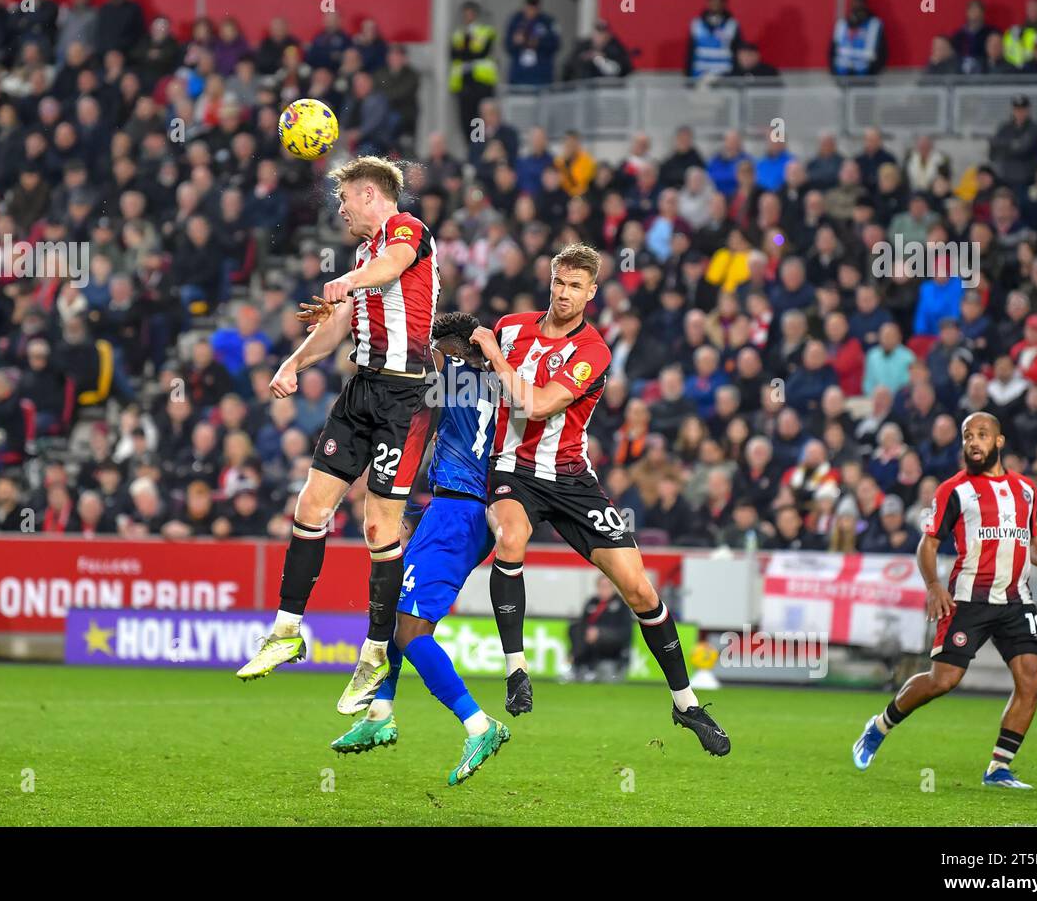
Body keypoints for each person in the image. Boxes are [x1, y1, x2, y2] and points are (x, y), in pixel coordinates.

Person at [468, 242, 730, 756]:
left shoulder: (594, 351)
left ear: (591, 292)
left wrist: (494, 354)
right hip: (512, 468)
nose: (564, 294)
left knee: (639, 590)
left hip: (571, 478)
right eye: (558, 282)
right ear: (551, 279)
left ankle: (686, 702)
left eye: (575, 287)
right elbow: (455, 356)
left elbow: (539, 405)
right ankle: (516, 670)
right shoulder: (512, 326)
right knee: (512, 536)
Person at [235, 157, 439, 715]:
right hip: (362, 391)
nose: (341, 208)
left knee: (379, 524)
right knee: (311, 504)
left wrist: (349, 280)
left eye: (346, 199)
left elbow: (394, 266)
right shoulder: (361, 255)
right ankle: (286, 630)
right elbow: (339, 324)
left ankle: (374, 651)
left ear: (371, 193)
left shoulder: (407, 232)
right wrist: (294, 363)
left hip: (406, 397)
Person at [332, 312, 509, 786]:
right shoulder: (491, 384)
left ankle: (479, 724)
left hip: (457, 514)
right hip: (454, 511)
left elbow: (407, 358)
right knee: (389, 612)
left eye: (439, 349)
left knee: (410, 632)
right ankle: (380, 714)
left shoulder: (455, 374)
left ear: (454, 350)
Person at [853, 413, 1037, 789]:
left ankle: (998, 768)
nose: (973, 442)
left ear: (999, 441)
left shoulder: (1026, 489)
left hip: (1016, 599)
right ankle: (879, 725)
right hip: (968, 598)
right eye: (968, 436)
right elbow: (927, 543)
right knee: (943, 680)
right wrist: (934, 584)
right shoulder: (955, 489)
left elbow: (1030, 537)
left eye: (982, 435)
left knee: (1031, 677)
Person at [449, 1, 498, 139]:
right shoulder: (458, 33)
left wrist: (465, 52)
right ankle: (471, 149)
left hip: (481, 83)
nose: (468, 17)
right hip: (463, 84)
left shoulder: (485, 31)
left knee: (480, 119)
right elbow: (453, 54)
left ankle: (480, 146)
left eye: (470, 14)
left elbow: (481, 53)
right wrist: (468, 52)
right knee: (465, 120)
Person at [569, 576, 633, 681]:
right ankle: (577, 664)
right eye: (601, 586)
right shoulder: (592, 602)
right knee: (574, 629)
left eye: (607, 586)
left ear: (613, 587)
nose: (603, 589)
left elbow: (625, 634)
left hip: (611, 653)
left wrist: (601, 634)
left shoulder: (622, 605)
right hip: (588, 650)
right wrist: (588, 633)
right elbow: (582, 624)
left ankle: (583, 667)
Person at [504, 0, 560, 87]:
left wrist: (539, 43)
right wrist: (516, 41)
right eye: (528, 9)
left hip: (541, 76)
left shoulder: (547, 21)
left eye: (534, 9)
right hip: (518, 75)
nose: (531, 12)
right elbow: (507, 44)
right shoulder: (516, 20)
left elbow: (556, 44)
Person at [830, 0, 887, 78]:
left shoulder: (874, 24)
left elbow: (882, 51)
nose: (856, 7)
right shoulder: (842, 24)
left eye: (859, 4)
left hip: (865, 73)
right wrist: (834, 71)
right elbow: (832, 50)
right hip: (842, 73)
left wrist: (873, 73)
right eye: (854, 4)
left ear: (865, 5)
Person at [687, 0, 741, 79]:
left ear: (724, 3)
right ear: (707, 3)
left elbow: (737, 50)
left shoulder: (732, 24)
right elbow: (690, 51)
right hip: (699, 74)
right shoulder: (696, 23)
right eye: (712, 1)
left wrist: (736, 73)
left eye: (718, 1)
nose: (715, 4)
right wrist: (688, 75)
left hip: (725, 74)